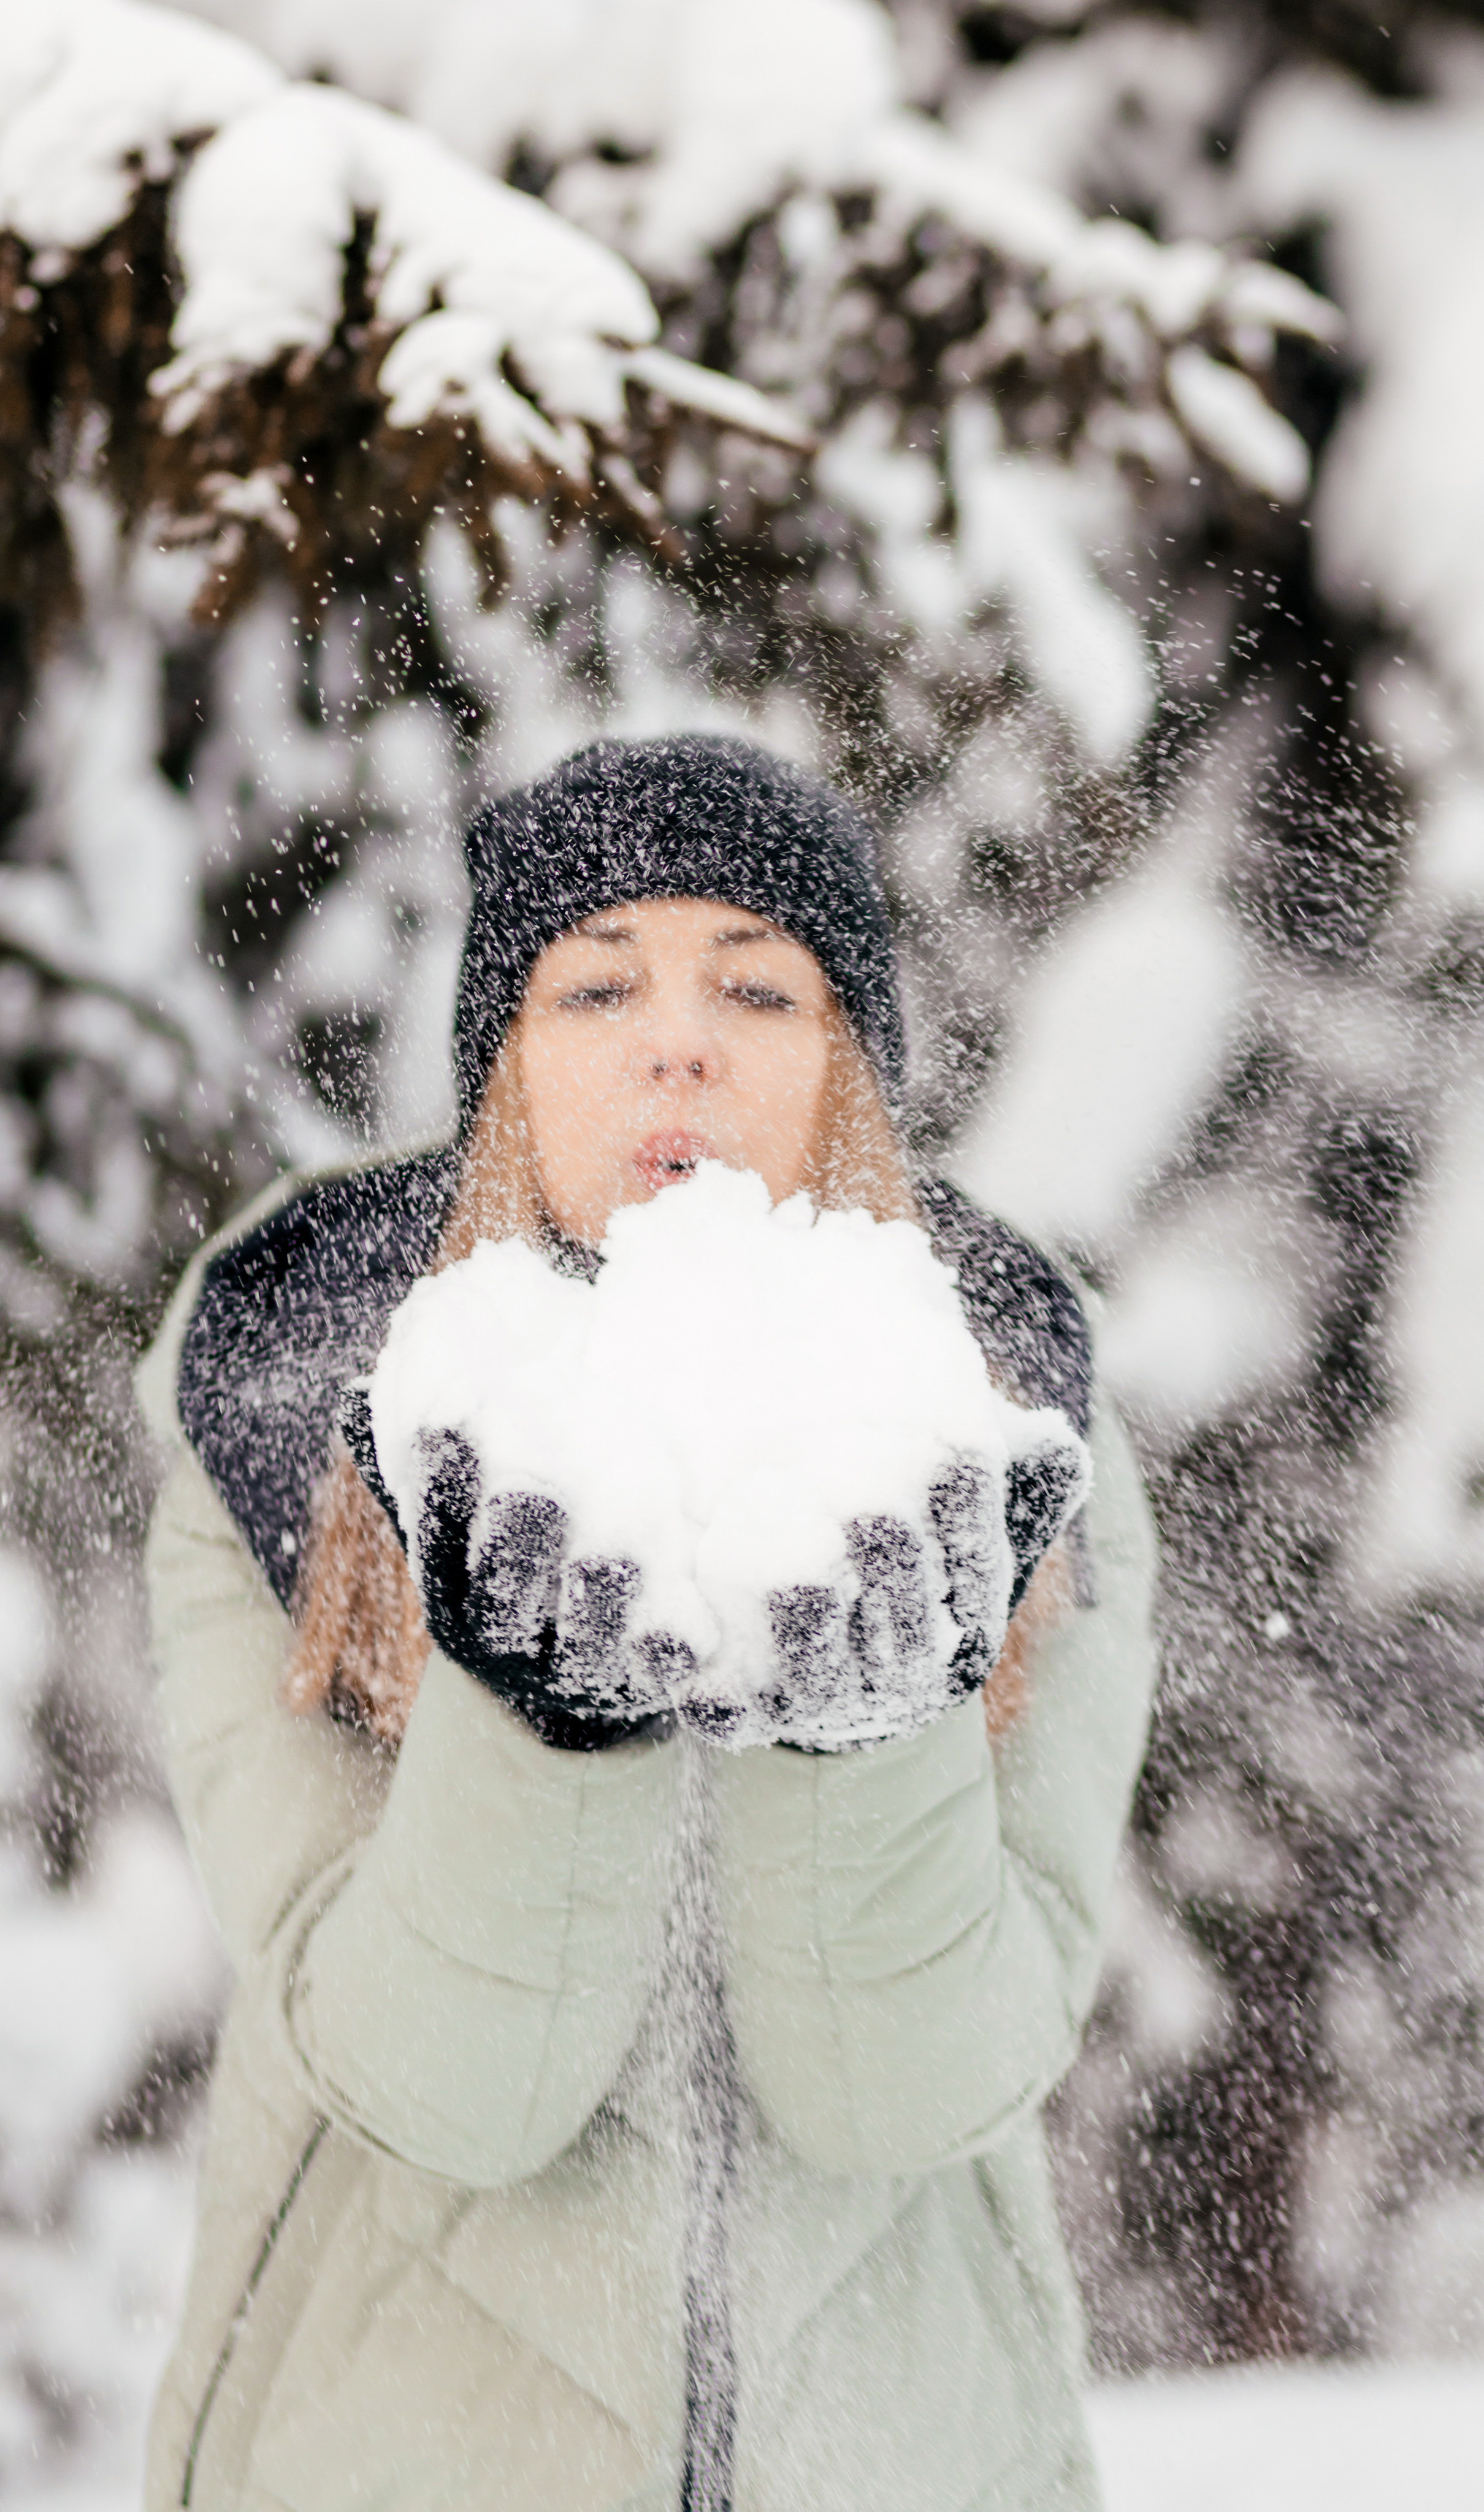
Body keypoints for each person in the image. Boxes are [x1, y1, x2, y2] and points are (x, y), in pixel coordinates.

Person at [137, 733, 1158, 2512]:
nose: (675, 1039)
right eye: (594, 987)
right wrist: (540, 1732)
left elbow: (907, 2097)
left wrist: (864, 1737)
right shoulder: (287, 1430)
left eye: (756, 990)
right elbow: (445, 2097)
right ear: (505, 1075)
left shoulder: (1017, 1441)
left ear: (848, 1069)